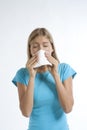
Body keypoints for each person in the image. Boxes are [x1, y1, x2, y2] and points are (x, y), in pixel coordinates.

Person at [12, 27, 77, 130]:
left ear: (52, 48)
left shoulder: (64, 69)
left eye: (45, 45)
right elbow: (26, 112)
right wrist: (32, 76)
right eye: (35, 46)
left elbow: (68, 108)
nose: (40, 50)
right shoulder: (22, 74)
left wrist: (55, 74)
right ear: (30, 50)